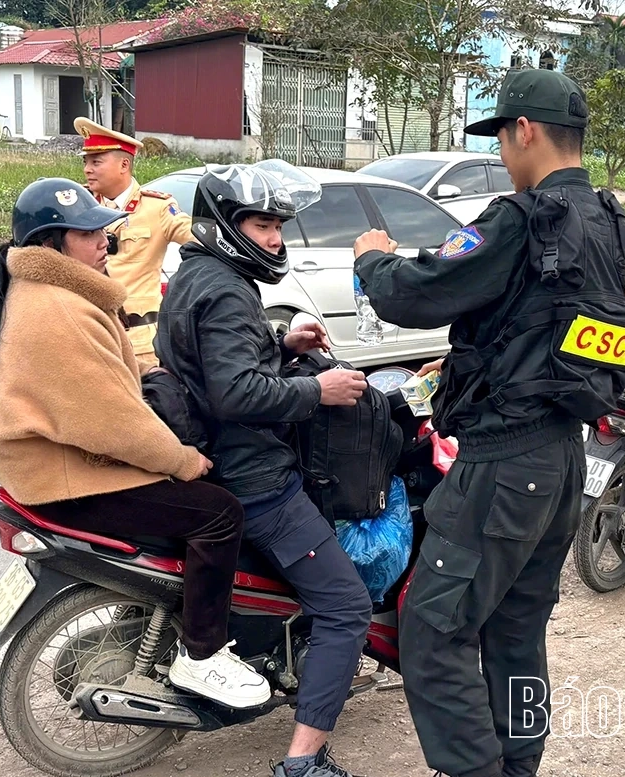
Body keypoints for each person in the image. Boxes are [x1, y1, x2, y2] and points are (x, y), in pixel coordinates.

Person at [353, 69, 625, 777]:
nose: (505, 156)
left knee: (432, 629)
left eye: (503, 138)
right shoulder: (609, 220)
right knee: (517, 634)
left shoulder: (520, 217)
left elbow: (418, 294)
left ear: (526, 132)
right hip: (562, 458)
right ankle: (520, 763)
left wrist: (372, 259)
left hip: (503, 467)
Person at [0, 177, 271, 711]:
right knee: (219, 512)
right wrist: (181, 460)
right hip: (69, 476)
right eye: (87, 234)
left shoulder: (45, 294)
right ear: (50, 246)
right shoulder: (58, 310)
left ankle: (152, 621)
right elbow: (111, 421)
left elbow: (117, 381)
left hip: (51, 465)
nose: (102, 242)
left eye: (101, 231)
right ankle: (202, 658)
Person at [154, 162, 373, 777]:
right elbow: (235, 394)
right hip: (254, 479)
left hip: (217, 460)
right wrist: (319, 391)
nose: (274, 237)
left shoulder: (201, 274)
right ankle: (303, 762)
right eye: (261, 223)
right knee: (347, 606)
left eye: (278, 225)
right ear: (227, 224)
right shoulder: (226, 288)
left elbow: (215, 367)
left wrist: (283, 347)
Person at [74, 117, 193, 373]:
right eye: (86, 162)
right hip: (91, 334)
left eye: (96, 162)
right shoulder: (80, 208)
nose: (87, 169)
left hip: (139, 340)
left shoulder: (157, 208)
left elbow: (196, 240)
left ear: (124, 164)